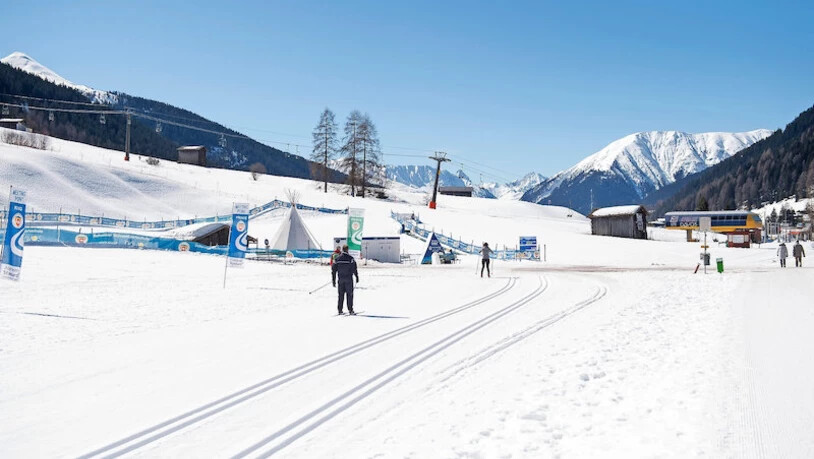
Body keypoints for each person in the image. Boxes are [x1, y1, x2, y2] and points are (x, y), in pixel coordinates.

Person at [331, 244, 359, 315]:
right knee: (349, 294)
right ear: (347, 250)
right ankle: (350, 310)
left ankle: (340, 310)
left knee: (341, 295)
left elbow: (333, 270)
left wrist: (333, 280)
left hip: (340, 279)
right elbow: (354, 268)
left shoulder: (337, 259)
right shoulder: (351, 258)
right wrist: (356, 277)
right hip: (349, 279)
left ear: (342, 250)